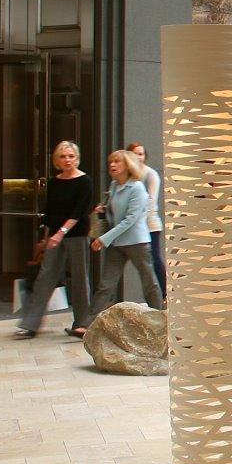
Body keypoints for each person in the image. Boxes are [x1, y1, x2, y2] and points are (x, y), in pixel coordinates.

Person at [80, 148, 162, 331]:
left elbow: (130, 220)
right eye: (111, 162)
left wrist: (103, 239)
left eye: (117, 161)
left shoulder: (137, 188)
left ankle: (159, 319)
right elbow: (114, 217)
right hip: (117, 243)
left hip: (137, 242)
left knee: (149, 281)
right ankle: (87, 324)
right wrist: (103, 211)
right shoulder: (114, 186)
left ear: (128, 165)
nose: (112, 165)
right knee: (106, 284)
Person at [17, 141, 93, 340]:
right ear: (56, 160)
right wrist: (45, 238)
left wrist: (60, 233)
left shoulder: (85, 181)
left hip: (76, 234)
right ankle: (30, 324)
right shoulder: (54, 182)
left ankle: (82, 323)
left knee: (79, 278)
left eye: (71, 156)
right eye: (63, 156)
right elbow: (49, 212)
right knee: (45, 276)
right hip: (54, 236)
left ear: (77, 158)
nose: (67, 160)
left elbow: (79, 212)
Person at [126, 140, 165, 299]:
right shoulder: (128, 176)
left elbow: (151, 202)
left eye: (141, 154)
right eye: (135, 154)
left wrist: (136, 218)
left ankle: (165, 294)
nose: (138, 157)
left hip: (149, 225)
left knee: (154, 260)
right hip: (132, 226)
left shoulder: (150, 175)